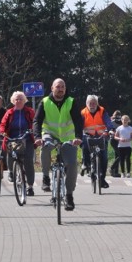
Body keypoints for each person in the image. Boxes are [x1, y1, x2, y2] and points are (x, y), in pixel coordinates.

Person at [33, 78, 84, 211]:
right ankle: (45, 177)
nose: (60, 89)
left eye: (63, 87)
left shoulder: (71, 102)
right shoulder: (45, 102)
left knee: (72, 164)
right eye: (58, 86)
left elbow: (78, 120)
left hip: (68, 137)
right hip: (50, 134)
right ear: (52, 88)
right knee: (45, 147)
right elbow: (37, 121)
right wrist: (38, 137)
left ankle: (69, 196)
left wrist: (78, 137)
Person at [0, 91, 36, 196]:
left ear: (24, 101)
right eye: (16, 99)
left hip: (27, 139)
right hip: (13, 138)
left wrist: (34, 131)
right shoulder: (9, 112)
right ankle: (11, 171)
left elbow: (35, 122)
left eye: (20, 99)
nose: (18, 101)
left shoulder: (29, 112)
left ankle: (30, 186)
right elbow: (3, 124)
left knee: (28, 161)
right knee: (10, 154)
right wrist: (1, 132)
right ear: (13, 101)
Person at [80, 95, 115, 189]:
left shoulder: (102, 111)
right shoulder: (83, 112)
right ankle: (85, 164)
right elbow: (79, 125)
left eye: (94, 103)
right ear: (86, 104)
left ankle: (102, 179)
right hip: (88, 136)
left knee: (104, 158)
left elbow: (108, 122)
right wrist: (78, 133)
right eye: (90, 103)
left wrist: (110, 130)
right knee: (84, 145)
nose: (92, 105)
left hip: (101, 136)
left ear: (97, 104)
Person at [109, 110, 123, 177]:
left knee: (117, 155)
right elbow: (110, 130)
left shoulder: (121, 123)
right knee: (121, 155)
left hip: (118, 140)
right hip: (113, 140)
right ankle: (112, 168)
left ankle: (115, 172)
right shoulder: (112, 122)